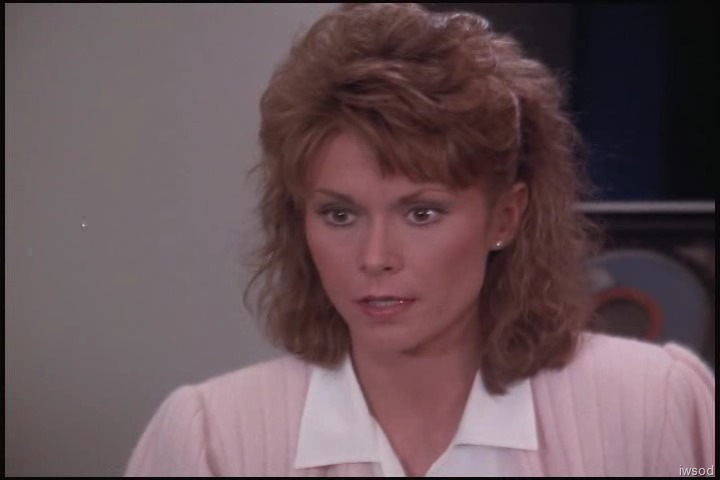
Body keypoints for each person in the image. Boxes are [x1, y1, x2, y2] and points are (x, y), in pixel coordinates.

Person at [125, 3, 715, 476]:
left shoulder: (657, 405)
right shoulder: (210, 441)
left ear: (505, 217)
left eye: (422, 213)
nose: (375, 258)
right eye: (339, 215)